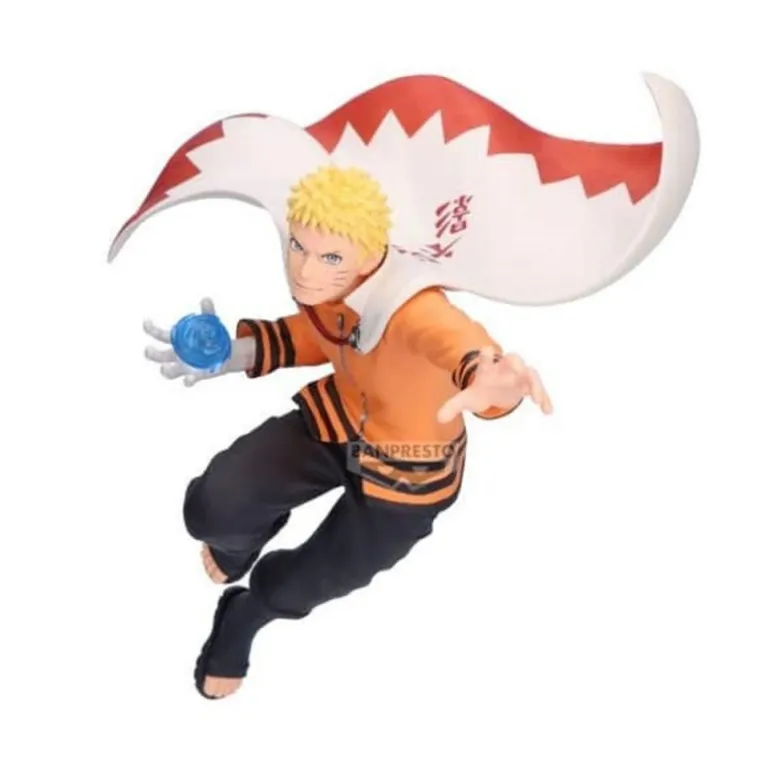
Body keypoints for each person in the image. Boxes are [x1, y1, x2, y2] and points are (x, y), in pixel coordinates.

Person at [144, 165, 553, 699]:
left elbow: (459, 346)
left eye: (330, 257)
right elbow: (321, 334)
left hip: (408, 474)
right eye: (298, 246)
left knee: (302, 583)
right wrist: (235, 354)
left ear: (368, 254)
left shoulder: (417, 308)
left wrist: (493, 382)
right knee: (212, 508)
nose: (304, 270)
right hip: (337, 420)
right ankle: (244, 543)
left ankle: (245, 615)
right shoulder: (340, 288)